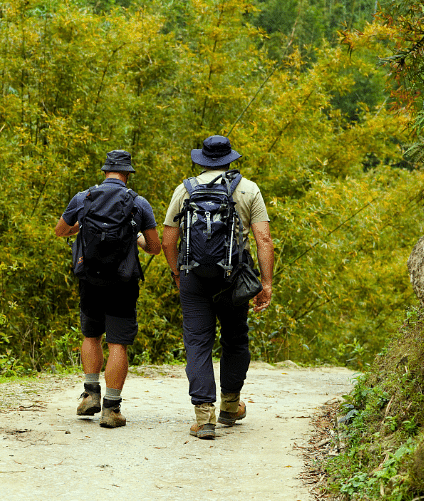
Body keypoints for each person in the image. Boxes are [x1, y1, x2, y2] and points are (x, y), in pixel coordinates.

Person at [161, 135, 274, 440]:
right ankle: (230, 406)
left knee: (197, 342)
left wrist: (177, 274)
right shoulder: (249, 189)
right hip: (234, 276)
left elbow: (168, 240)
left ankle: (203, 418)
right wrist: (266, 283)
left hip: (193, 277)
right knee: (235, 339)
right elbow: (263, 240)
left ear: (201, 160)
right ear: (230, 159)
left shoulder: (184, 191)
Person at [54, 150, 161, 428]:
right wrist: (135, 237)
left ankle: (90, 395)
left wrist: (83, 227)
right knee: (118, 344)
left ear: (104, 173)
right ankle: (111, 410)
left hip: (89, 279)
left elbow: (60, 230)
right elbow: (154, 248)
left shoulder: (83, 198)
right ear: (127, 174)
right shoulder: (139, 203)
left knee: (91, 336)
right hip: (123, 283)